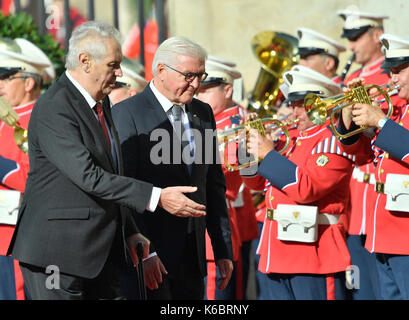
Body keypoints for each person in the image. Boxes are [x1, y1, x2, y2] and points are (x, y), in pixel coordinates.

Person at [7, 21, 206, 300]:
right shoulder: (56, 106)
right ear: (85, 61)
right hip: (57, 255)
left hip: (98, 254)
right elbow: (89, 175)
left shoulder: (99, 104)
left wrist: (130, 231)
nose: (120, 72)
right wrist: (157, 197)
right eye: (113, 65)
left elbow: (111, 171)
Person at [112, 36, 233, 300]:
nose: (197, 84)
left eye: (201, 75)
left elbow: (213, 183)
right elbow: (123, 189)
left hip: (192, 256)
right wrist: (146, 251)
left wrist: (223, 250)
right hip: (150, 256)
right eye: (189, 75)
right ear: (160, 70)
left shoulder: (203, 112)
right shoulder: (126, 114)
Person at [243, 65, 353, 300]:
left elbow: (306, 190)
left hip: (313, 253)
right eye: (293, 104)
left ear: (321, 104)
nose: (295, 112)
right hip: (276, 250)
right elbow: (256, 185)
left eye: (303, 105)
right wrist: (248, 152)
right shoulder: (289, 140)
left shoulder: (332, 142)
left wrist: (269, 154)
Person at [336, 8, 406, 299]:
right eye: (390, 71)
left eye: (398, 70)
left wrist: (379, 120)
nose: (391, 78)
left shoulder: (396, 111)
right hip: (381, 223)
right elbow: (366, 155)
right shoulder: (398, 109)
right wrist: (347, 125)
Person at [0, 37, 53, 300]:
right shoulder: (5, 119)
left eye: (6, 78)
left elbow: (33, 179)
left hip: (17, 236)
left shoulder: (38, 119)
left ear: (29, 82)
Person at [196, 59, 243, 300]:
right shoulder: (199, 121)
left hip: (214, 220)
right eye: (199, 89)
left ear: (227, 90)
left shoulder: (238, 125)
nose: (199, 93)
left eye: (207, 89)